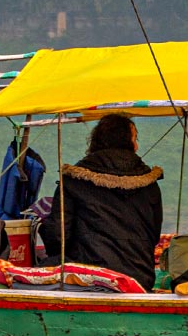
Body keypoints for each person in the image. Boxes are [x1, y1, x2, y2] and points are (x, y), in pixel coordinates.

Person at [40, 113, 164, 288]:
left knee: (43, 266)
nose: (136, 146)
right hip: (139, 280)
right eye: (135, 139)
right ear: (126, 142)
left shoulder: (74, 180)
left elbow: (58, 237)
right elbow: (153, 236)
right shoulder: (150, 184)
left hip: (88, 278)